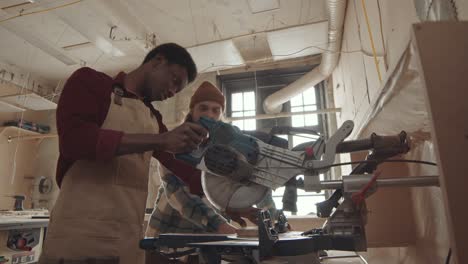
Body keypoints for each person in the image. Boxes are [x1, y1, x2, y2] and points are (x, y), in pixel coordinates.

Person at [39, 43, 205, 264]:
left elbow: (184, 169)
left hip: (127, 246)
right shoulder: (91, 83)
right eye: (175, 80)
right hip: (77, 243)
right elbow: (75, 140)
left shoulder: (153, 119)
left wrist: (229, 199)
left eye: (179, 90)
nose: (173, 92)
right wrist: (160, 140)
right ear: (158, 61)